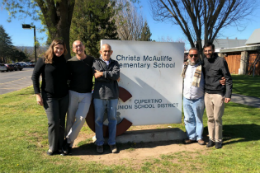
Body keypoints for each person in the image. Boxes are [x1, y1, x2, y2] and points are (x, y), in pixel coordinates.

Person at [31, 39, 69, 155]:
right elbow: (35, 76)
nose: (59, 50)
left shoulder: (64, 60)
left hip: (63, 96)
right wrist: (38, 95)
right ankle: (52, 147)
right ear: (52, 47)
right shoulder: (44, 59)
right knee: (53, 122)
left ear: (64, 50)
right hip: (49, 96)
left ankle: (61, 146)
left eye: (61, 48)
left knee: (61, 121)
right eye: (57, 48)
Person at [63, 40, 94, 155]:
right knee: (70, 119)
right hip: (73, 93)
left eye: (80, 45)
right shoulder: (70, 62)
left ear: (84, 46)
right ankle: (68, 145)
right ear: (73, 49)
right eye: (76, 46)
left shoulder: (91, 60)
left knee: (80, 119)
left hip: (86, 94)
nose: (78, 48)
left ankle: (67, 141)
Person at [203, 42, 233, 149]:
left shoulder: (221, 61)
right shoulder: (204, 61)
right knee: (210, 118)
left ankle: (218, 140)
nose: (207, 52)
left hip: (218, 94)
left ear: (213, 50)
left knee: (217, 118)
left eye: (209, 50)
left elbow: (228, 78)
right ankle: (211, 139)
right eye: (205, 51)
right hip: (207, 93)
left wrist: (228, 94)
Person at [92, 43, 120, 154]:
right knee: (98, 120)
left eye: (108, 51)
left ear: (111, 52)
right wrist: (110, 76)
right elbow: (96, 76)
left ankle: (112, 143)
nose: (106, 53)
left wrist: (103, 74)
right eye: (104, 51)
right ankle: (99, 143)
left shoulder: (115, 63)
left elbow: (116, 75)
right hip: (99, 96)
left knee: (112, 120)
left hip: (113, 96)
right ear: (101, 52)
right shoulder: (96, 62)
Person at [182, 48, 205, 145]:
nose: (193, 57)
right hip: (186, 97)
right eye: (191, 55)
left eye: (195, 55)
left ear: (198, 56)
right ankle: (191, 137)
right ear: (188, 56)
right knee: (188, 118)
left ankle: (199, 137)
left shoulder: (203, 67)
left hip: (198, 97)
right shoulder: (184, 66)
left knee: (198, 119)